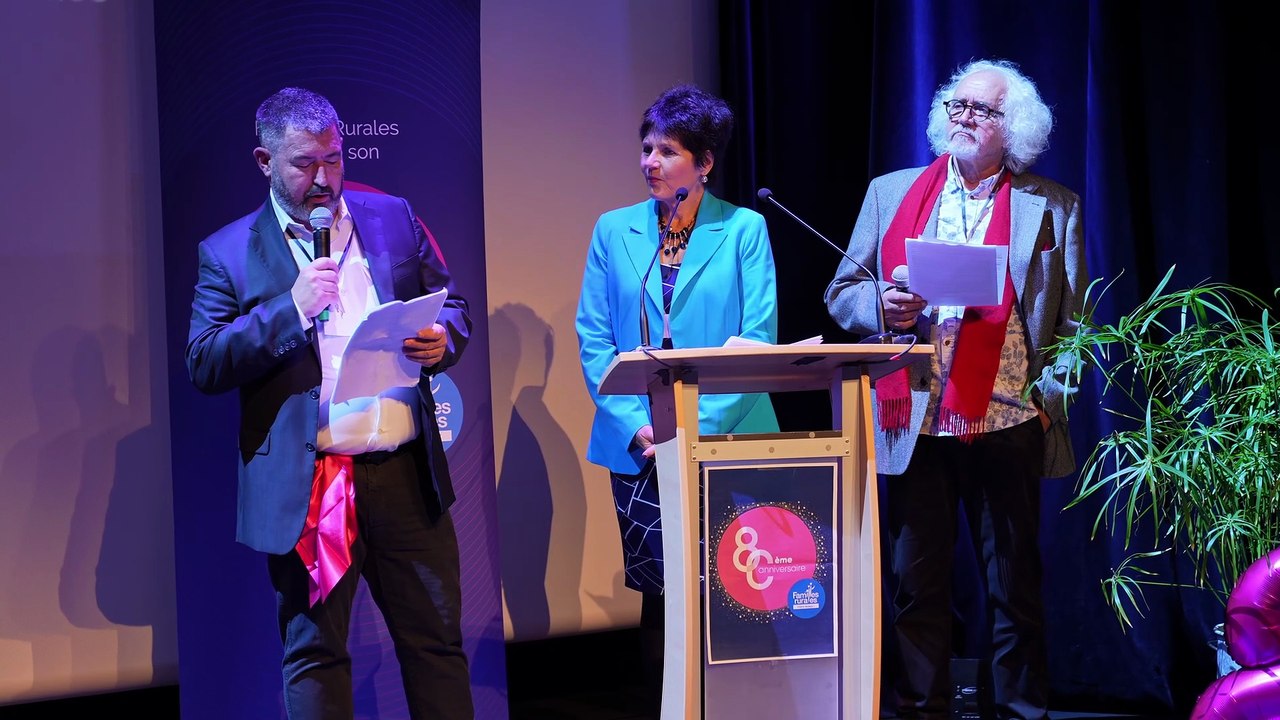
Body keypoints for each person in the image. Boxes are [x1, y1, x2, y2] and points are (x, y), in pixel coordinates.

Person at [185, 86, 474, 720]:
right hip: (314, 485)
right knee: (315, 655)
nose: (324, 178)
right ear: (265, 163)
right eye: (305, 164)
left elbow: (452, 302)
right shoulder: (229, 252)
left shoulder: (392, 214)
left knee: (436, 646)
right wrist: (289, 310)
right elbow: (204, 361)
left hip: (403, 476)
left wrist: (441, 338)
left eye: (334, 159)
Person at [824, 59, 1086, 720]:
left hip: (1008, 420)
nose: (965, 118)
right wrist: (883, 305)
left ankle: (1020, 713)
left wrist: (1046, 406)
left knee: (1014, 589)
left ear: (1013, 128)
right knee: (917, 586)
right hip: (913, 418)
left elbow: (1079, 328)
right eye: (958, 106)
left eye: (984, 110)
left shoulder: (1051, 206)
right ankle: (921, 710)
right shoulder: (892, 193)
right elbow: (842, 292)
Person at [575, 83, 779, 714]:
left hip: (729, 438)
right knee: (662, 588)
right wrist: (645, 429)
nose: (650, 162)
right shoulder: (614, 231)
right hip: (639, 445)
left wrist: (692, 432)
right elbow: (594, 338)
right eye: (646, 148)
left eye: (667, 150)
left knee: (734, 586)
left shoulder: (744, 229)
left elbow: (758, 339)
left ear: (704, 163)